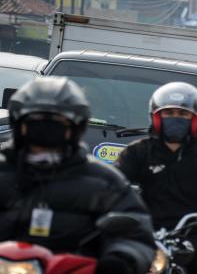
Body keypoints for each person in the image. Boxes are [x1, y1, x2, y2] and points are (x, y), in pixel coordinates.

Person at [0, 77, 155, 274]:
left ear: (75, 127)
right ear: (18, 123)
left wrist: (121, 258)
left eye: (57, 122)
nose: (46, 128)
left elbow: (134, 232)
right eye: (36, 121)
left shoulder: (104, 182)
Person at [116, 82, 197, 274]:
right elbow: (113, 184)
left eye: (183, 114)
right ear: (156, 117)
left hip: (192, 233)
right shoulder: (136, 152)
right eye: (169, 113)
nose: (175, 119)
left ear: (196, 120)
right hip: (141, 232)